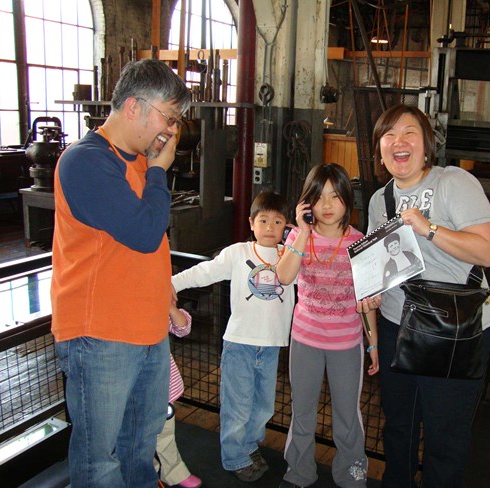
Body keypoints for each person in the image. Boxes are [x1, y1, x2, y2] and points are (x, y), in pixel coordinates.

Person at [50, 59, 191, 487]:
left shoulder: (137, 162)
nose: (170, 131)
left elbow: (149, 251)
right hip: (101, 336)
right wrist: (157, 170)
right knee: (100, 460)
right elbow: (146, 232)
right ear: (134, 107)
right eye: (168, 117)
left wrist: (165, 297)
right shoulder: (86, 162)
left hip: (147, 331)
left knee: (140, 444)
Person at [359, 104, 490, 488]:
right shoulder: (379, 201)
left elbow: (486, 252)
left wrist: (428, 226)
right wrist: (370, 293)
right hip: (395, 325)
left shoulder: (454, 182)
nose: (398, 142)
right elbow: (382, 266)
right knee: (398, 425)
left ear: (426, 145)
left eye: (409, 133)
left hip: (454, 328)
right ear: (379, 148)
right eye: (388, 135)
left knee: (445, 435)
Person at [170, 191, 295, 483]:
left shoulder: (290, 257)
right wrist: (171, 283)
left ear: (286, 227)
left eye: (277, 222)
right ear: (251, 223)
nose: (269, 227)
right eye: (263, 220)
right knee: (237, 403)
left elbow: (312, 282)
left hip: (272, 344)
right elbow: (205, 272)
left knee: (263, 404)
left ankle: (249, 446)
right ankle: (235, 456)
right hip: (240, 342)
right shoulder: (238, 253)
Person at [276, 163, 379, 488]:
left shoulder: (359, 242)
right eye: (320, 198)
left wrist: (373, 343)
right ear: (308, 203)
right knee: (302, 413)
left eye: (336, 197)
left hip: (347, 345)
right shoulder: (297, 236)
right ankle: (299, 473)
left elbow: (366, 300)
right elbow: (284, 276)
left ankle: (352, 476)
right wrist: (303, 232)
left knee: (347, 417)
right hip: (305, 340)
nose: (328, 205)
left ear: (348, 200)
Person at [154, 301, 203, 488]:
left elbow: (183, 328)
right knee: (139, 438)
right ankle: (150, 472)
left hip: (161, 386)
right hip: (132, 387)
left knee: (165, 433)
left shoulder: (155, 305)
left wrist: (168, 306)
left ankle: (174, 472)